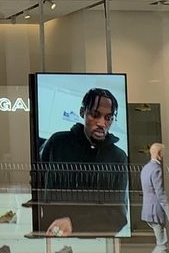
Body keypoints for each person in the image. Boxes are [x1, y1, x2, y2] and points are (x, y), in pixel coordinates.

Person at [32, 88, 130, 237]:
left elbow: (118, 215)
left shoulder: (118, 158)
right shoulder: (57, 143)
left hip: (96, 242)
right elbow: (37, 187)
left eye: (108, 118)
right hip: (50, 235)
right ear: (82, 112)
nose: (101, 123)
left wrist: (75, 223)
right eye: (95, 115)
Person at [138, 142, 169, 253]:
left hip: (148, 211)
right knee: (163, 245)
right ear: (159, 154)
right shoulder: (157, 170)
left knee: (162, 243)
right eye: (164, 153)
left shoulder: (146, 168)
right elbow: (161, 195)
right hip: (156, 212)